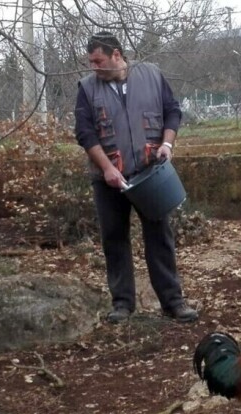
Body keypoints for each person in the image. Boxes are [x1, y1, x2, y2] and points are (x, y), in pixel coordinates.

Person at [74, 32, 198, 324]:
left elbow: (173, 111)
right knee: (114, 238)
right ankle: (122, 305)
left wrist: (167, 145)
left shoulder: (152, 75)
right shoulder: (87, 88)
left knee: (160, 237)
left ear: (116, 55)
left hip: (149, 175)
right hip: (108, 179)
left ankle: (173, 303)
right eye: (90, 62)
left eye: (98, 61)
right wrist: (106, 168)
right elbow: (85, 132)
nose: (94, 67)